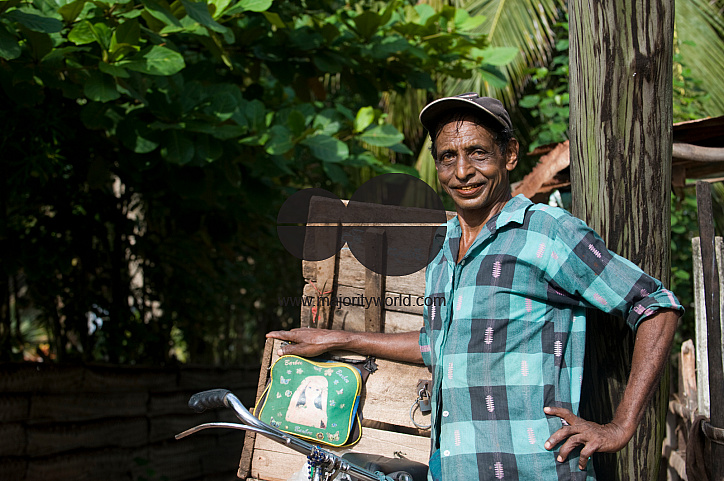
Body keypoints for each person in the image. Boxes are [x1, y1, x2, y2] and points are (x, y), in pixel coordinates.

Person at [268, 93, 683, 480]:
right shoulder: (444, 248)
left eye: (478, 153)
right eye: (448, 156)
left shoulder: (546, 233)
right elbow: (440, 343)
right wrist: (338, 338)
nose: (462, 171)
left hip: (533, 468)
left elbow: (656, 304)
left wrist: (620, 426)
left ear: (510, 154)